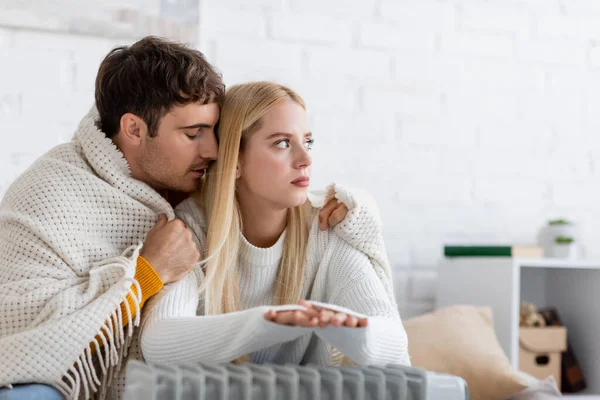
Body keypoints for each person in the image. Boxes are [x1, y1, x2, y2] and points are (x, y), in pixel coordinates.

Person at [140, 81, 411, 368]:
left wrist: (342, 328)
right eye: (282, 143)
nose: (305, 159)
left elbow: (393, 343)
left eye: (308, 142)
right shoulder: (191, 232)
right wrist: (269, 323)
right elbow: (160, 343)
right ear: (235, 161)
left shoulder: (327, 227)